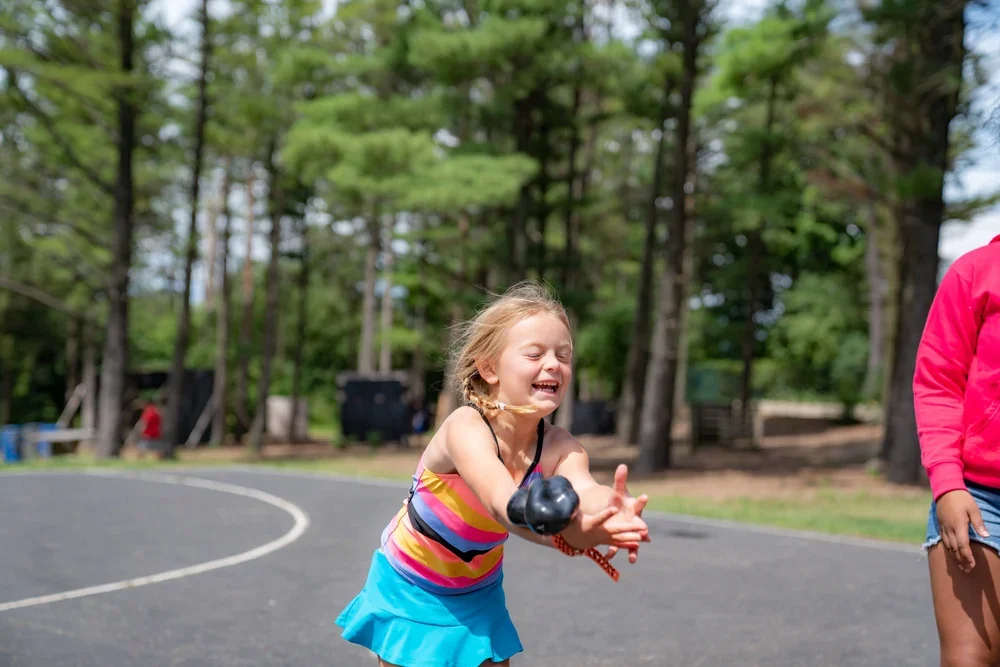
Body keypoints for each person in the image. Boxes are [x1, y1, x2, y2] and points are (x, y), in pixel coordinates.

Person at [336, 281, 652, 667]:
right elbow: (502, 502)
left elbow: (584, 490)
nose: (553, 364)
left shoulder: (558, 446)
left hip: (477, 588)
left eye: (563, 355)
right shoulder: (466, 428)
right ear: (488, 368)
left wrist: (609, 511)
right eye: (534, 353)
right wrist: (566, 528)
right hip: (411, 584)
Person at [915, 234, 1000, 667]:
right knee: (970, 659)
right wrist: (948, 484)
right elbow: (938, 383)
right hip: (981, 499)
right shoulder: (977, 270)